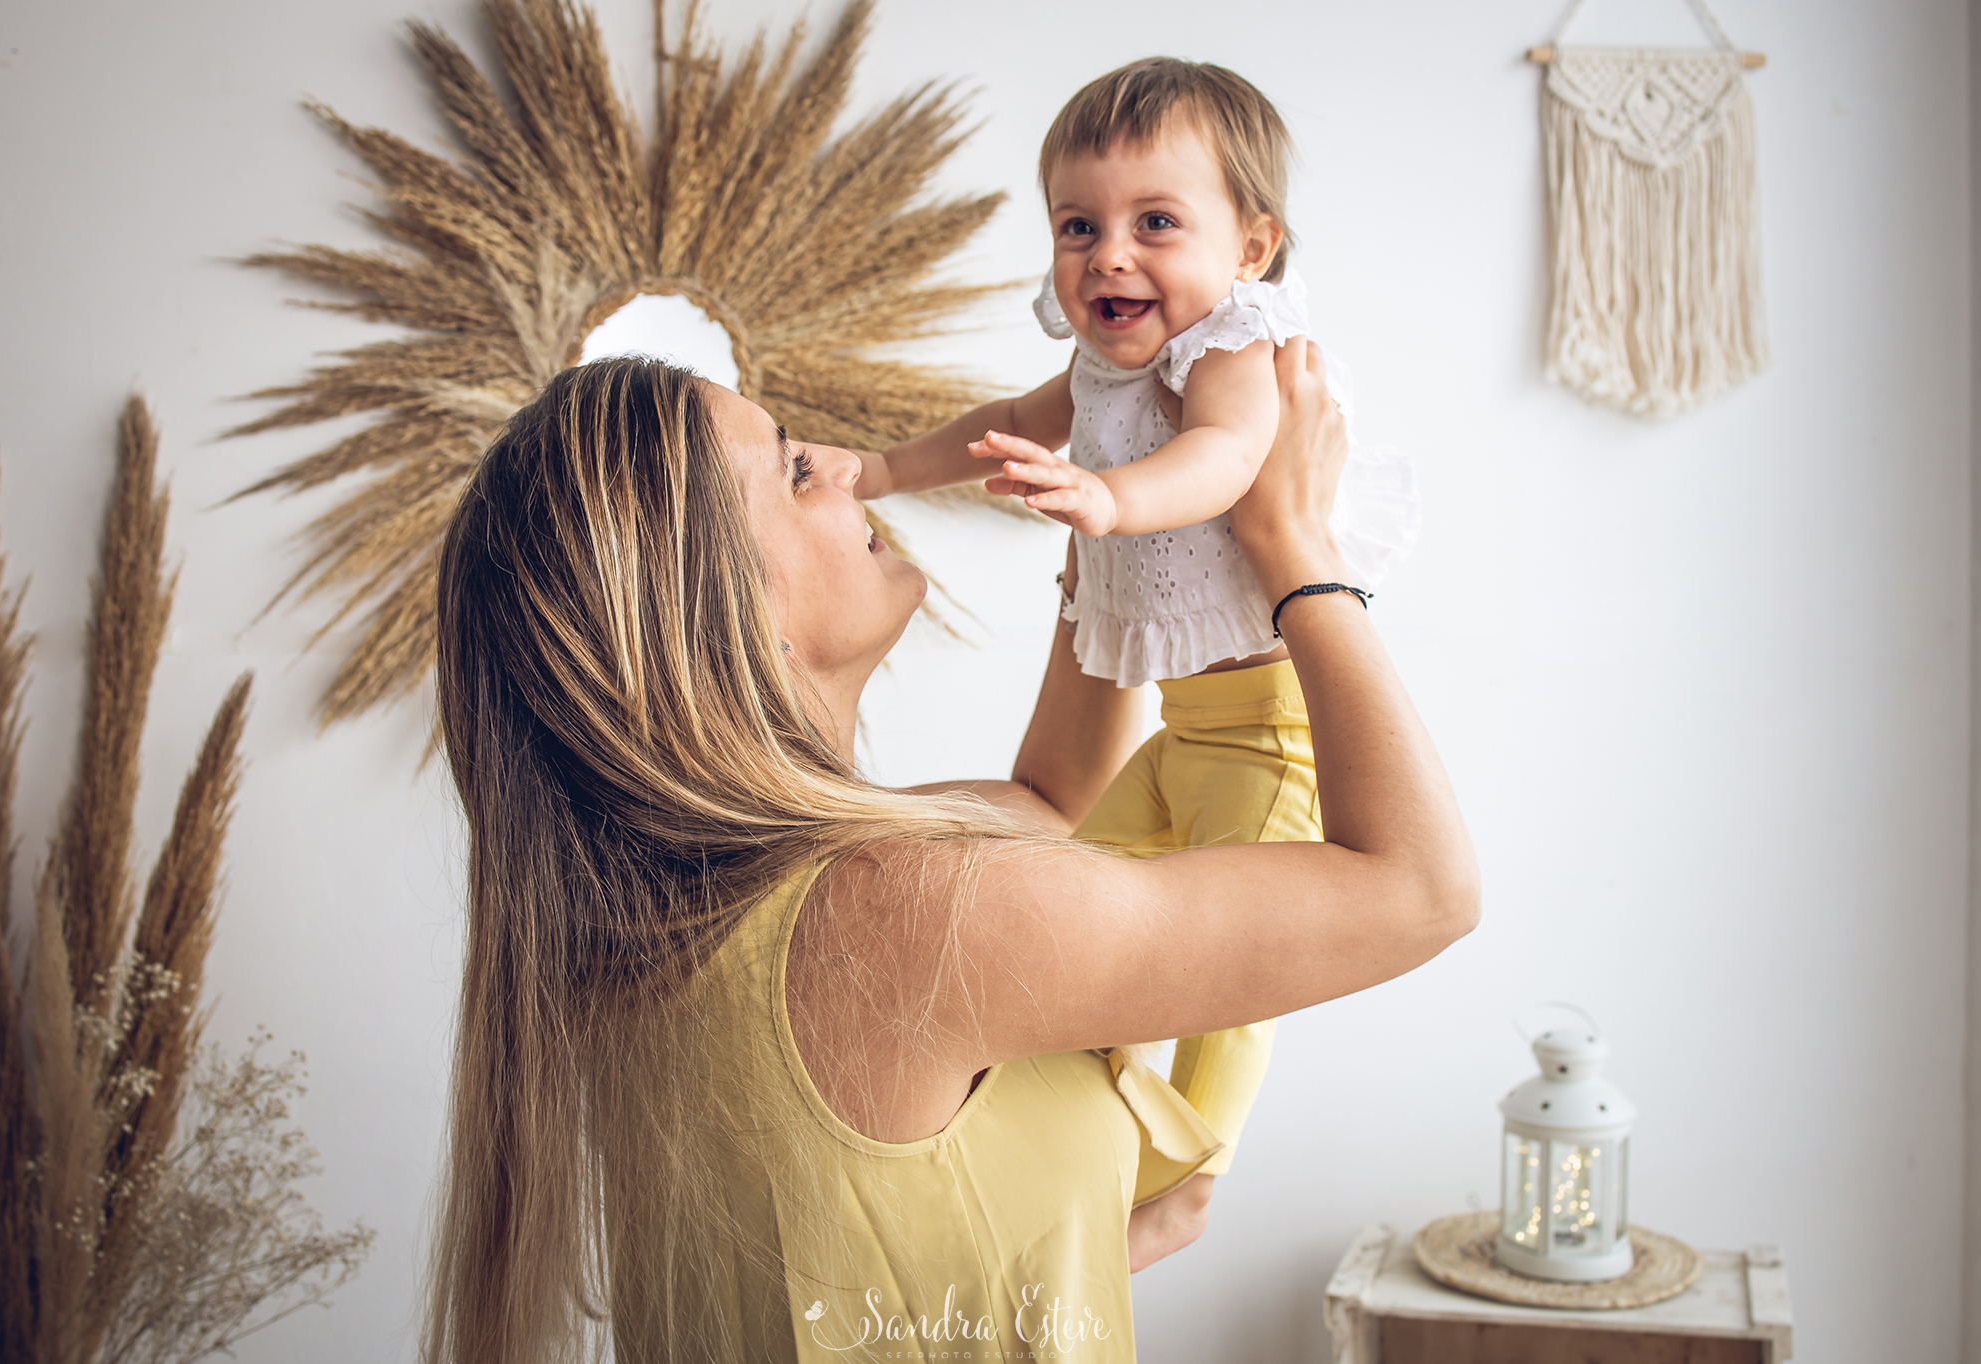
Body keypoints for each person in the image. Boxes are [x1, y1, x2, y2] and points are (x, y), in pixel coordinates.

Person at [424, 342, 1476, 1362]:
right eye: (794, 470)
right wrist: (1293, 541)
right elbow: (1421, 888)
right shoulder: (892, 913)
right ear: (729, 612)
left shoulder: (671, 929)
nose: (842, 469)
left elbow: (1050, 800)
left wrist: (1119, 540)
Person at [855, 58, 1421, 1208]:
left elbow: (1223, 457)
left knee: (1230, 979)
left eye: (1155, 221)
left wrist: (1111, 503)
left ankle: (1188, 1172)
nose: (1108, 253)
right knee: (1074, 902)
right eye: (1078, 224)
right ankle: (1064, 1119)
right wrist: (881, 469)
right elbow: (1010, 420)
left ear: (1251, 248)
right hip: (1186, 727)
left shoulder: (1233, 345)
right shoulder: (1097, 362)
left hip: (1272, 734)